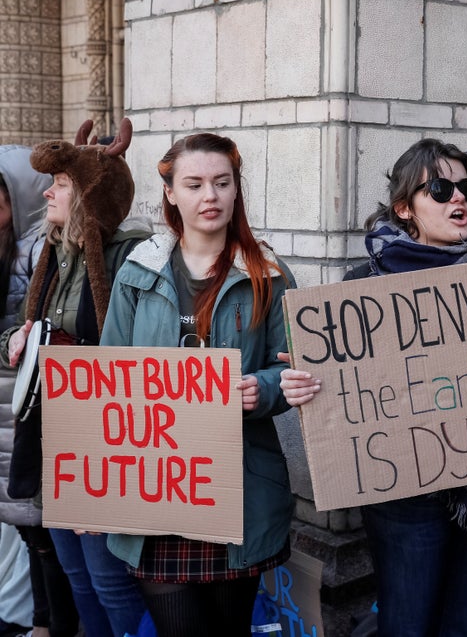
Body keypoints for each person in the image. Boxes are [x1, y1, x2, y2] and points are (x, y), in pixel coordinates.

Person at [279, 138, 467, 637]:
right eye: (441, 188)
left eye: (465, 187)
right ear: (405, 207)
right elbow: (342, 393)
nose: (460, 199)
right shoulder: (361, 284)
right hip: (402, 496)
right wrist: (306, 383)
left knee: (465, 624)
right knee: (407, 624)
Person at [101, 133, 295, 636]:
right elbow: (105, 379)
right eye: (194, 184)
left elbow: (293, 368)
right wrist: (87, 490)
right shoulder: (137, 271)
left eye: (221, 183)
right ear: (170, 193)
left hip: (240, 490)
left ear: (236, 191)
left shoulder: (269, 275)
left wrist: (262, 389)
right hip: (154, 489)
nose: (209, 196)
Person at [1, 121, 149, 637]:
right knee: (75, 573)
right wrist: (17, 342)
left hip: (102, 438)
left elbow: (142, 352)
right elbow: (20, 328)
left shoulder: (129, 256)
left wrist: (72, 352)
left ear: (88, 193)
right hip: (51, 435)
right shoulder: (51, 254)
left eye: (61, 183)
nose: (48, 191)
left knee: (109, 578)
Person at [0, 145, 60, 637]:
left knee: (39, 524)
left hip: (23, 403)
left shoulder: (35, 251)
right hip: (9, 403)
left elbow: (26, 329)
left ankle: (47, 622)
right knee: (24, 525)